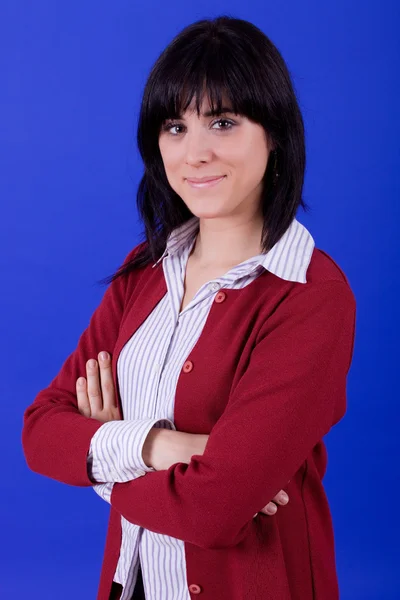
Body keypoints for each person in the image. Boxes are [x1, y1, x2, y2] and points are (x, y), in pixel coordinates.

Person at [22, 15, 357, 600]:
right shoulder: (144, 270)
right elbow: (40, 431)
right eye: (175, 126)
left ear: (273, 132)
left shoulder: (310, 294)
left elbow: (214, 509)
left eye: (223, 123)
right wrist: (165, 447)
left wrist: (103, 456)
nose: (195, 153)